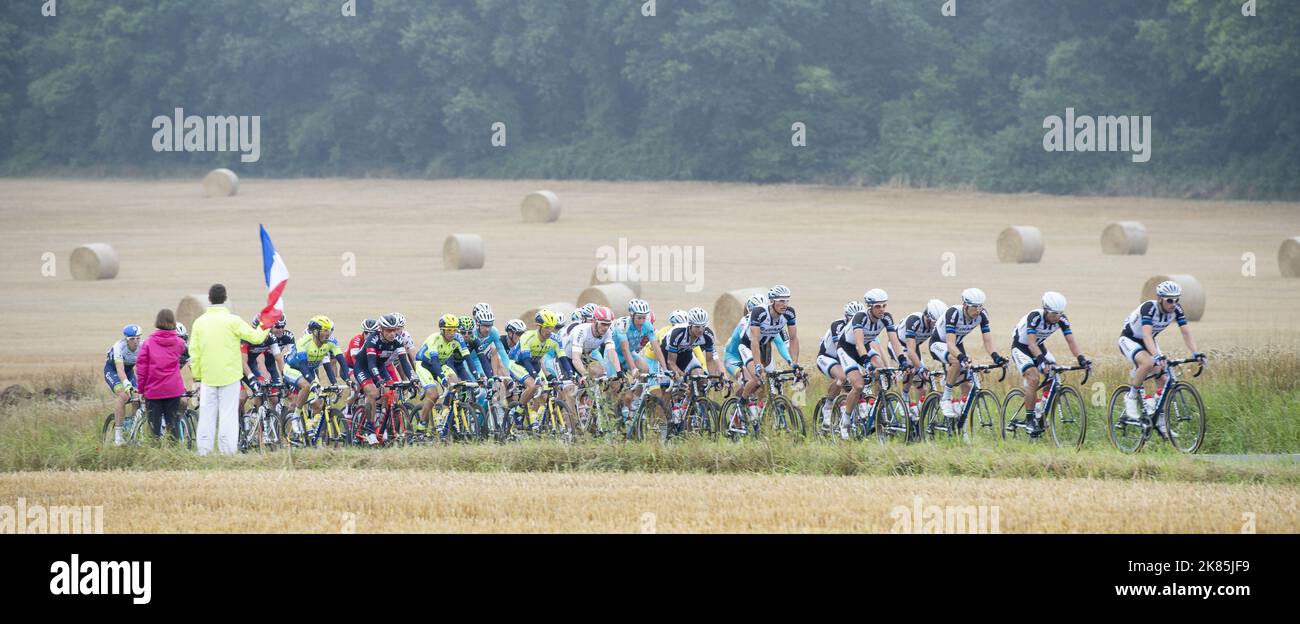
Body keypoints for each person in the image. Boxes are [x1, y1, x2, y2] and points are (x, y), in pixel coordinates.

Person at [1117, 280, 1207, 437]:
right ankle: (1130, 397)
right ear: (1160, 299)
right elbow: (1145, 334)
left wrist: (1195, 353)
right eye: (1170, 300)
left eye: (1177, 299)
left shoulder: (1176, 310)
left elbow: (1186, 332)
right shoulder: (1149, 308)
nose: (1174, 303)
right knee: (1148, 363)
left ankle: (1159, 421)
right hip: (1130, 339)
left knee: (1164, 378)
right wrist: (1156, 356)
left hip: (1150, 341)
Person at [189, 284, 270, 456]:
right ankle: (227, 452)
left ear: (209, 299)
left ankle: (204, 452)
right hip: (230, 377)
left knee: (206, 416)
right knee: (228, 416)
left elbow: (194, 352)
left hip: (208, 377)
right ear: (225, 298)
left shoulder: (199, 323)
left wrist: (197, 377)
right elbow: (255, 338)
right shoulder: (233, 321)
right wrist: (266, 324)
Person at [1009, 292, 1089, 437]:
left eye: (1060, 313)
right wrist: (1041, 360)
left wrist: (1081, 358)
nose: (1057, 317)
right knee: (1033, 378)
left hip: (1039, 347)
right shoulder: (1034, 317)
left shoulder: (1062, 319)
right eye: (1053, 314)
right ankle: (1029, 418)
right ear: (1046, 310)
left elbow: (1071, 341)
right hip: (1022, 347)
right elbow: (1031, 343)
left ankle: (1040, 406)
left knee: (1055, 374)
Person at [134, 309, 189, 440]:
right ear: (173, 322)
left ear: (157, 322)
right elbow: (187, 356)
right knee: (173, 427)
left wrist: (141, 390)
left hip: (153, 392)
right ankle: (173, 456)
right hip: (173, 391)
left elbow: (141, 369)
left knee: (154, 430)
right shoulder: (179, 343)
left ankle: (156, 455)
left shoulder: (148, 343)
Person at [103, 323, 142, 446]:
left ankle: (134, 431)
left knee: (137, 398)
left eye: (138, 338)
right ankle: (118, 437)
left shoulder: (143, 346)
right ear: (126, 339)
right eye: (132, 339)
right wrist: (126, 385)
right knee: (124, 396)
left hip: (129, 371)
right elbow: (120, 370)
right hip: (113, 370)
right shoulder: (119, 347)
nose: (135, 342)